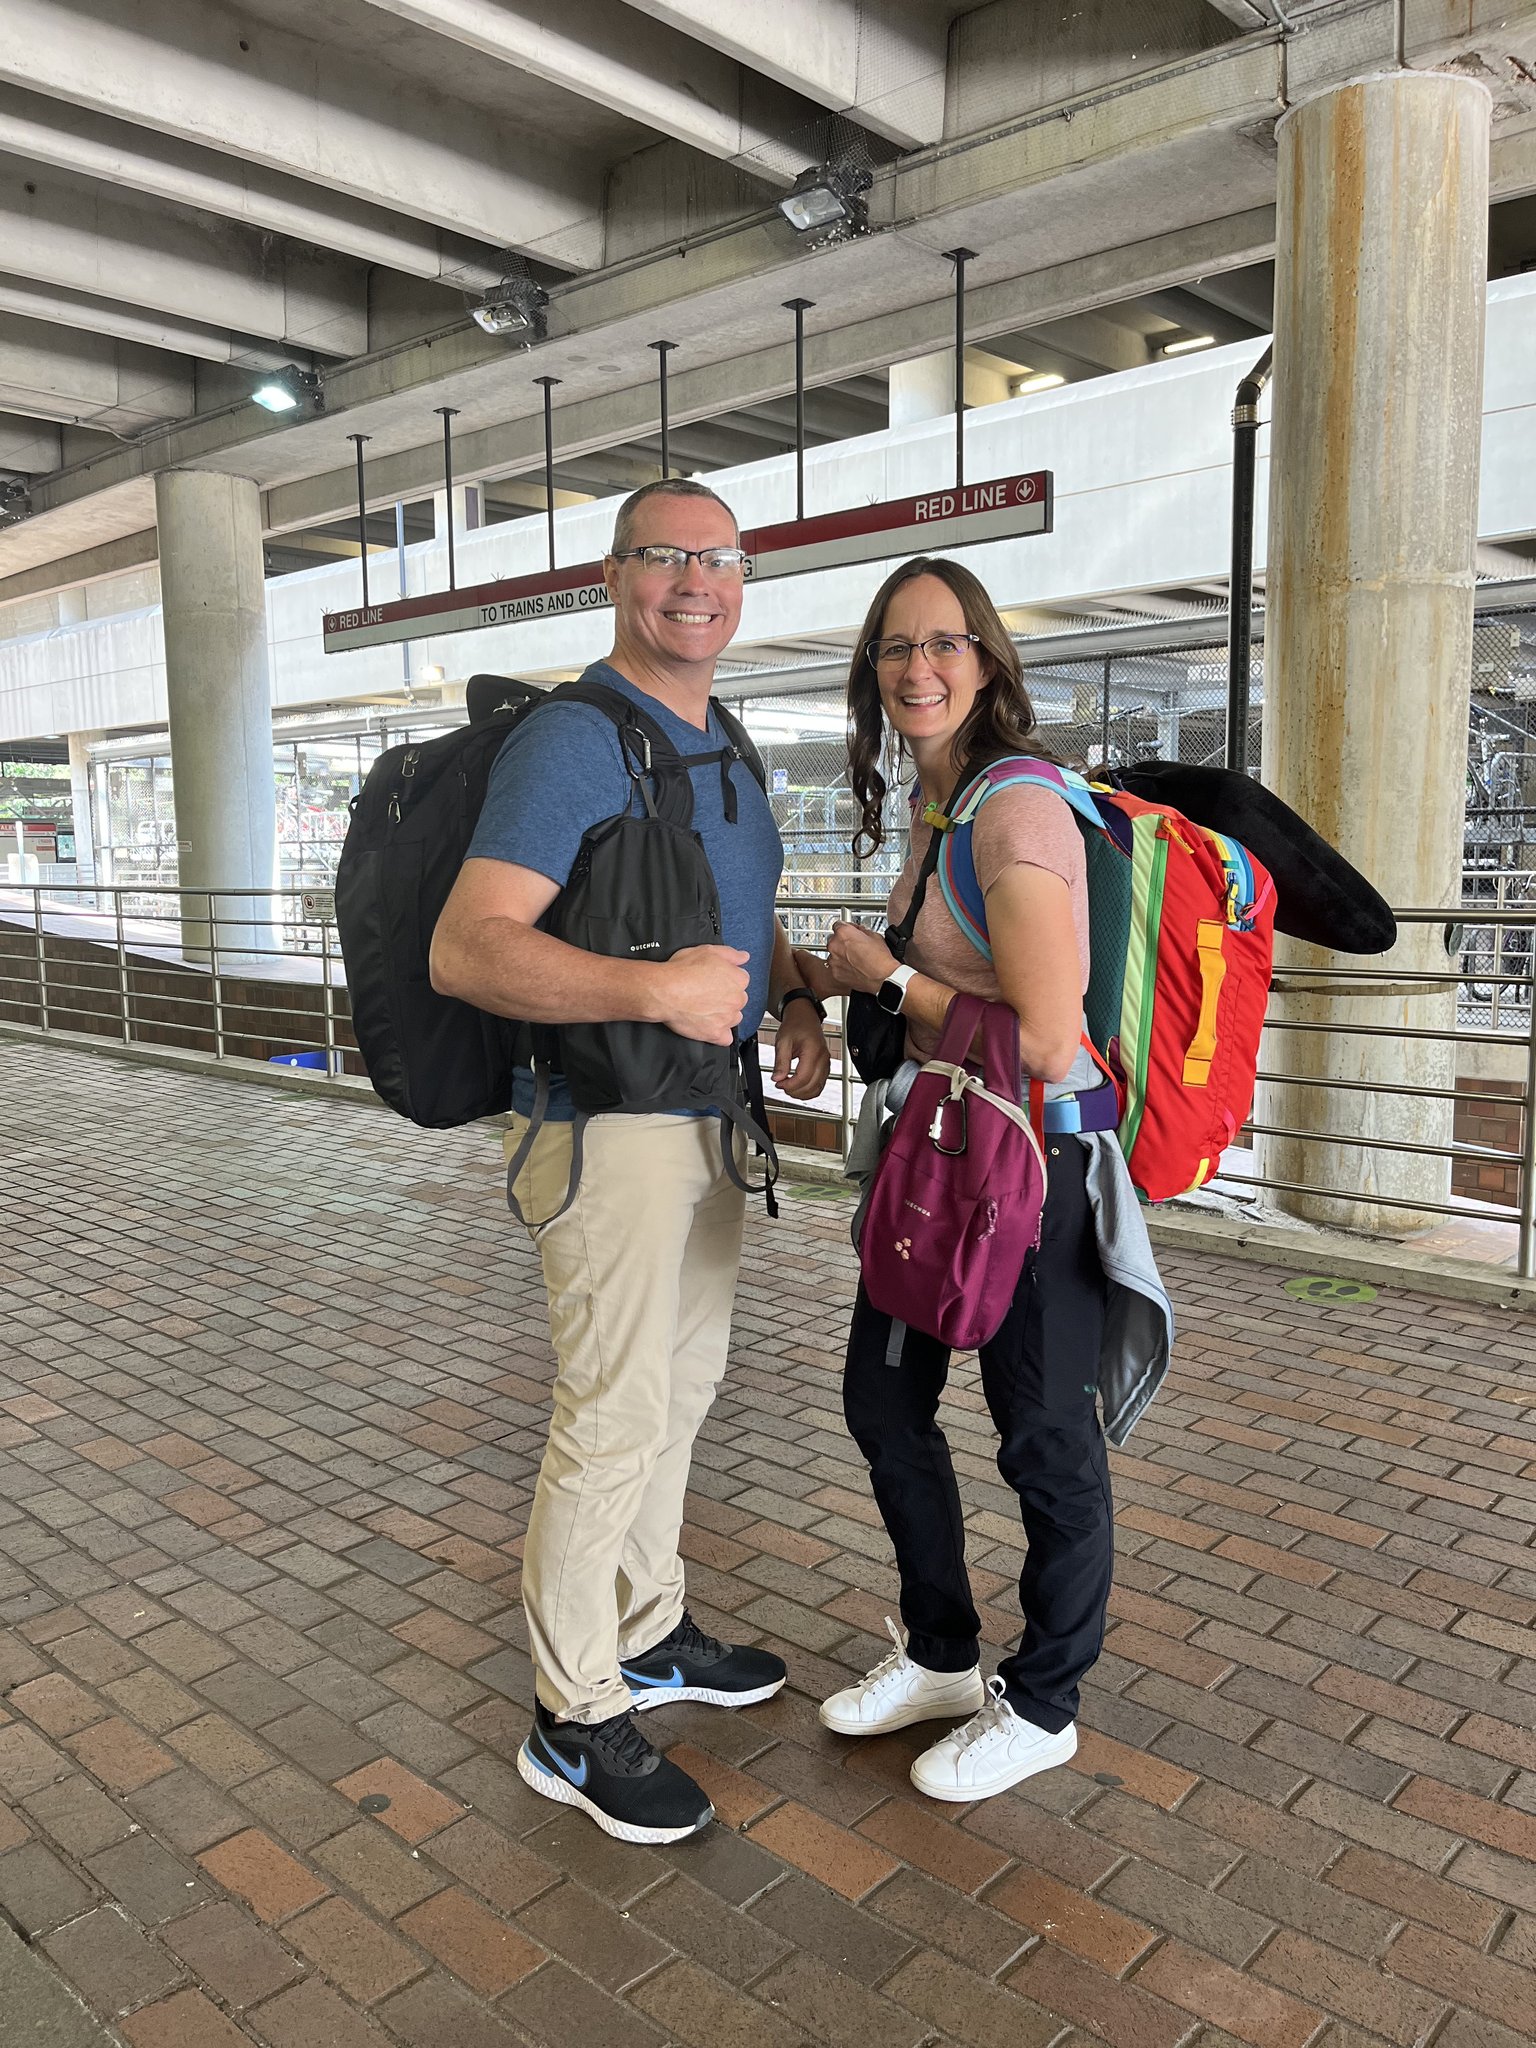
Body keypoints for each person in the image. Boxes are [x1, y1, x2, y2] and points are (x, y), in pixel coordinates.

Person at [431, 479, 831, 1843]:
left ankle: (651, 1629)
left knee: (679, 1389)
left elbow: (728, 921)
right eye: (665, 558)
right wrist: (649, 992)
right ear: (615, 577)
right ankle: (573, 1711)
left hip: (708, 1118)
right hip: (604, 1129)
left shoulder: (724, 738)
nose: (694, 584)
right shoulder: (572, 740)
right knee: (607, 1417)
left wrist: (792, 995)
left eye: (718, 560)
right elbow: (468, 945)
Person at [792, 555, 1170, 1804]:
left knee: (1044, 1438)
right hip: (940, 1162)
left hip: (1033, 1167)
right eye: (897, 648)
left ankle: (1046, 1699)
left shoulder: (1014, 810)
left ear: (989, 661)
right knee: (883, 1401)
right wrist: (835, 976)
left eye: (945, 643)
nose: (919, 667)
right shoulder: (935, 808)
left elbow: (1054, 1038)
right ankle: (945, 1652)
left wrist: (891, 981)